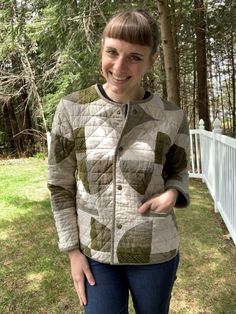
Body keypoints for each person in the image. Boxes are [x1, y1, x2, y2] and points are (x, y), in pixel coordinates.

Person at [48, 8, 190, 314]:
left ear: (152, 60)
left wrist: (173, 193)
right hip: (95, 254)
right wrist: (72, 251)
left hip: (155, 251)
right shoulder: (71, 109)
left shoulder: (172, 116)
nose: (119, 66)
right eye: (112, 52)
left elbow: (178, 170)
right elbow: (59, 185)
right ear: (102, 49)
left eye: (135, 57)